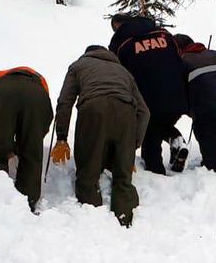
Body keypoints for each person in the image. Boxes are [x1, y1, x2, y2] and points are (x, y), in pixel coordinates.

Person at [52, 44, 150, 226]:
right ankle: (124, 219)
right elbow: (144, 112)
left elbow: (64, 102)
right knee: (123, 176)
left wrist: (61, 138)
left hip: (94, 109)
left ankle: (93, 219)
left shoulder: (78, 66)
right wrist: (131, 148)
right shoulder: (124, 72)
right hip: (126, 111)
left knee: (88, 172)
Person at [109, 13, 188, 174]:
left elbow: (117, 73)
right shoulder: (164, 34)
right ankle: (176, 140)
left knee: (150, 135)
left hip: (148, 99)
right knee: (160, 124)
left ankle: (156, 175)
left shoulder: (121, 44)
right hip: (177, 94)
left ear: (118, 27)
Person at [0, 67, 53, 211]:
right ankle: (29, 202)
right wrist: (29, 143)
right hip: (36, 96)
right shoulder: (41, 84)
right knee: (31, 154)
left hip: (0, 94)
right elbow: (44, 122)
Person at [175, 34, 216, 171]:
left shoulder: (182, 62)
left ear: (179, 49)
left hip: (207, 113)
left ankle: (215, 180)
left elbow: (180, 93)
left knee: (212, 159)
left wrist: (189, 110)